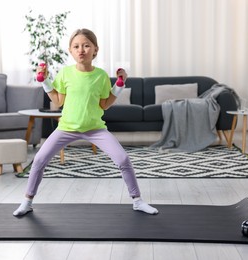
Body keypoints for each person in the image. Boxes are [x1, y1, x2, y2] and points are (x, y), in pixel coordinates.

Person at [13, 28, 158, 216]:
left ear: (95, 50)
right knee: (39, 159)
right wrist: (44, 80)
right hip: (66, 128)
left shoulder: (101, 76)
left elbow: (105, 105)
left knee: (123, 159)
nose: (81, 49)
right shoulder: (65, 73)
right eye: (76, 46)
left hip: (95, 129)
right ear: (71, 51)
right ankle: (27, 202)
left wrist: (120, 84)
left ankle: (137, 201)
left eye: (86, 45)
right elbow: (58, 101)